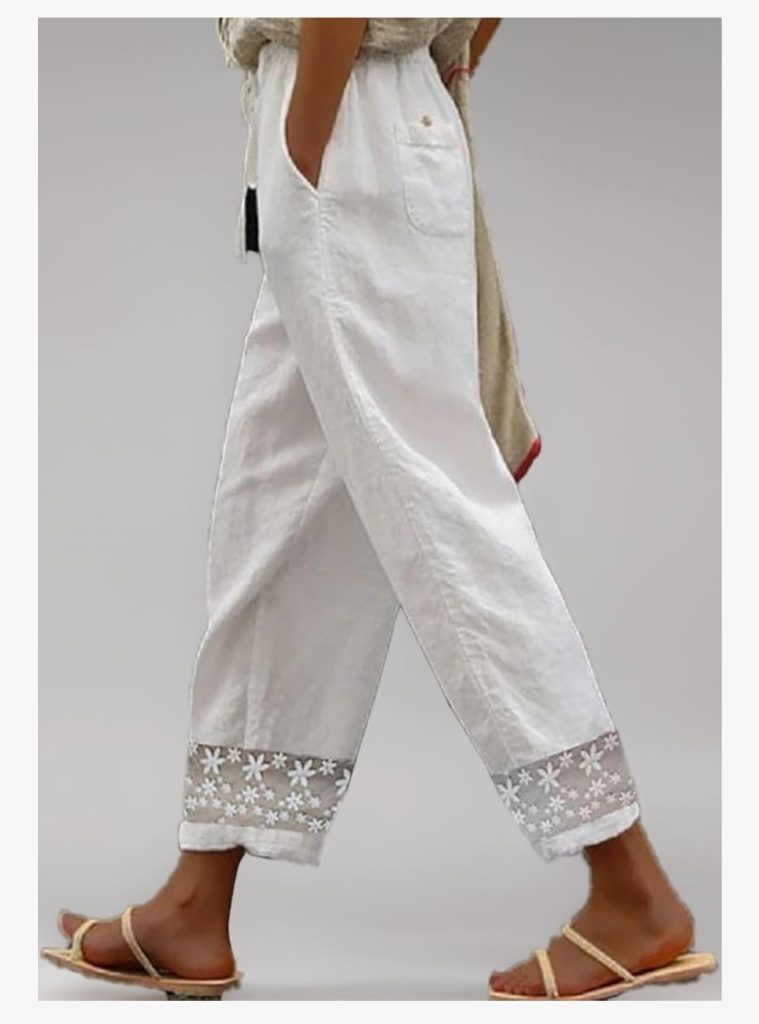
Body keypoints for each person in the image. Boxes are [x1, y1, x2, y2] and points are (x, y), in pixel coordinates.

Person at [42, 18, 716, 1000]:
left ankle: (632, 886)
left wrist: (305, 141)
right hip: (369, 121)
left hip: (339, 129)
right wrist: (438, 58)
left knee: (444, 524)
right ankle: (196, 899)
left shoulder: (324, 123)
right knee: (275, 518)